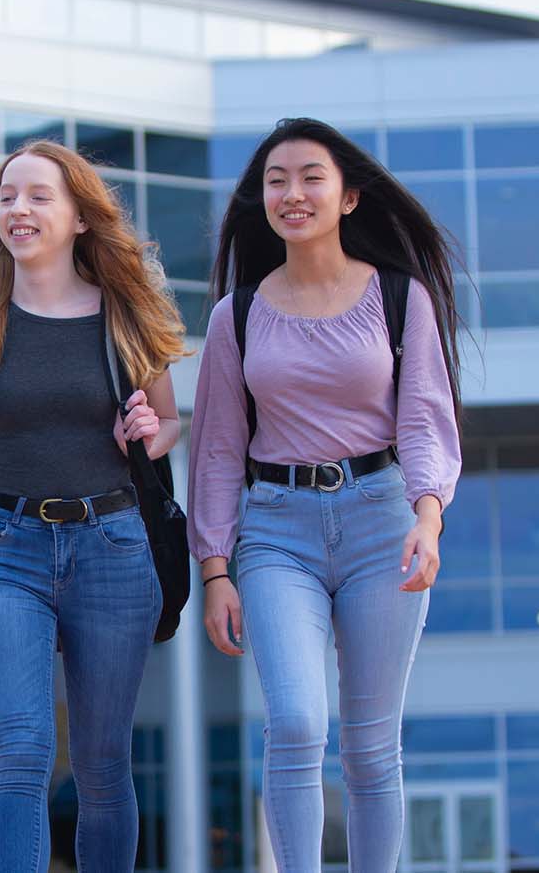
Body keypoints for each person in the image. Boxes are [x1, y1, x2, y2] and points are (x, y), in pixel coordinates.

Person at [0, 140, 186, 873]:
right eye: (7, 196)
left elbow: (172, 421)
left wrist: (152, 428)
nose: (18, 209)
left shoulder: (126, 315)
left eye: (38, 195)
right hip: (8, 547)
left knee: (103, 762)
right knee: (20, 751)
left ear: (80, 216)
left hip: (113, 545)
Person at [186, 118, 464, 873]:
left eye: (311, 176)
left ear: (348, 198)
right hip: (277, 533)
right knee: (298, 722)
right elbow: (215, 449)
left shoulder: (400, 299)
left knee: (372, 746)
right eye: (277, 180)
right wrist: (214, 569)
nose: (292, 192)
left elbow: (426, 417)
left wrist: (428, 518)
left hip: (384, 522)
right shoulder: (234, 317)